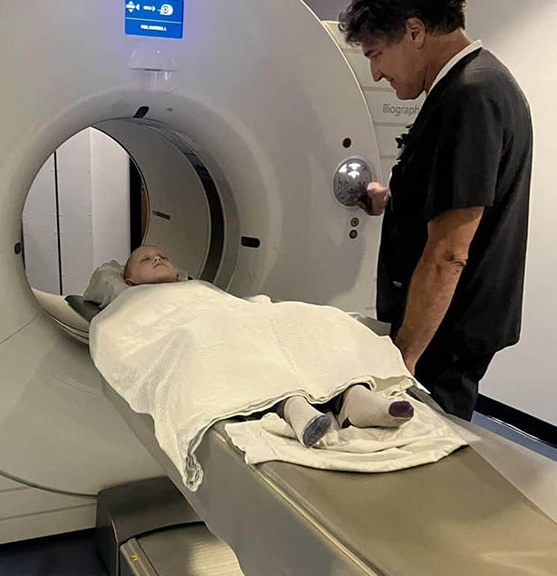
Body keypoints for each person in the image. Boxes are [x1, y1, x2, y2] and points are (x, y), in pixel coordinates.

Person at [338, 0, 533, 420]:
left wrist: (403, 357)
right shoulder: (470, 84)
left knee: (423, 443)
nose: (376, 73)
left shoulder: (472, 95)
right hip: (445, 326)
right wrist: (390, 199)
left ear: (414, 31)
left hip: (443, 333)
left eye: (376, 54)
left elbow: (449, 252)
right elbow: (457, 192)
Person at [122, 245, 415, 447]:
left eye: (162, 256)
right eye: (146, 260)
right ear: (129, 281)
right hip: (200, 324)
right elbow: (137, 338)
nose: (157, 259)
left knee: (308, 316)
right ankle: (292, 405)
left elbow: (229, 305)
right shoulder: (129, 303)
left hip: (235, 313)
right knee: (216, 336)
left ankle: (354, 395)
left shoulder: (198, 286)